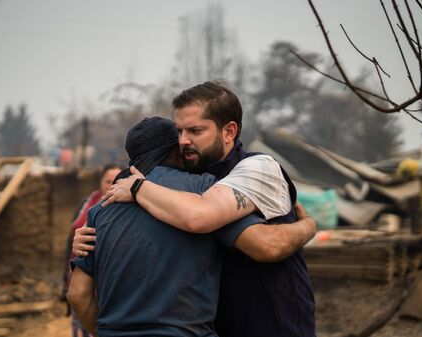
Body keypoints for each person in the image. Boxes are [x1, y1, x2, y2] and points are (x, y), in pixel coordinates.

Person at [97, 81, 316, 337]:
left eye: (195, 131)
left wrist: (138, 188)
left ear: (229, 132)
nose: (183, 141)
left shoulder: (259, 168)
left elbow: (203, 217)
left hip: (274, 327)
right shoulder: (195, 178)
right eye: (179, 131)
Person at [63, 164, 122, 337]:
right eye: (107, 181)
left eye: (115, 181)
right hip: (80, 274)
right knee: (82, 320)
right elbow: (70, 243)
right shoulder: (87, 204)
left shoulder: (127, 208)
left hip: (107, 282)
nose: (111, 185)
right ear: (100, 182)